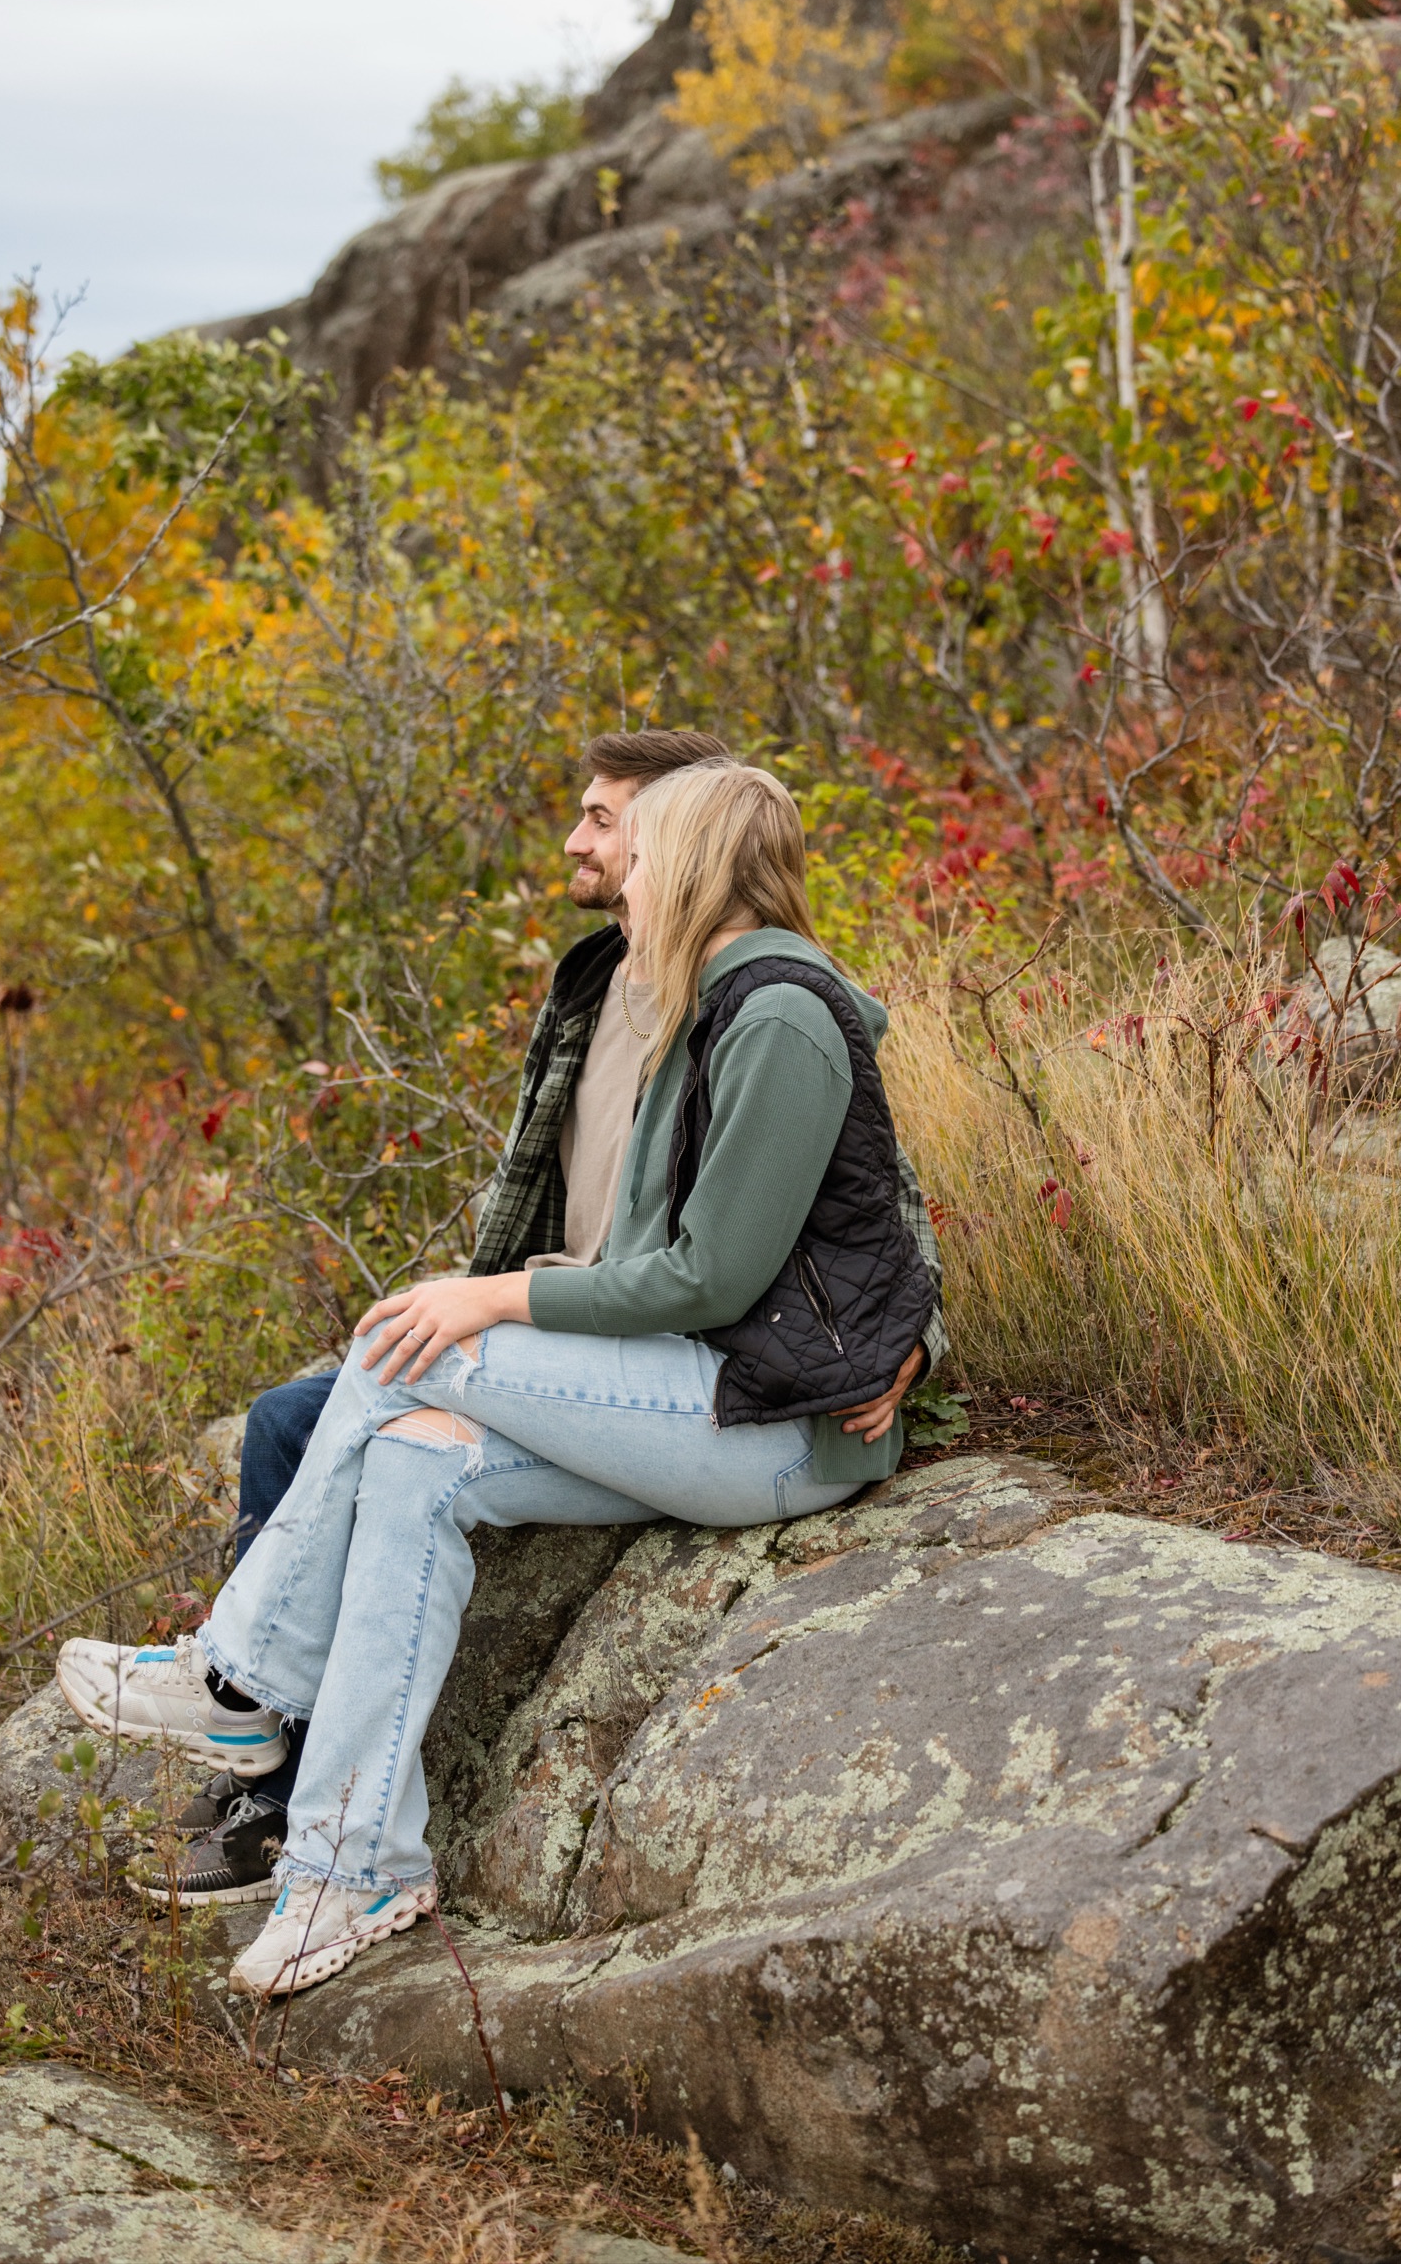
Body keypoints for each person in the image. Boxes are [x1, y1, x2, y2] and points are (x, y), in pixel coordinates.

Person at [57, 761, 941, 1998]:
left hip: (772, 1420)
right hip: (686, 1390)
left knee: (407, 1340)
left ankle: (234, 1672)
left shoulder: (780, 1013)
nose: (617, 876)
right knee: (417, 1449)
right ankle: (353, 1861)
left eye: (636, 853)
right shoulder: (695, 1002)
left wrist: (490, 1296)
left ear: (687, 865)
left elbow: (713, 1278)